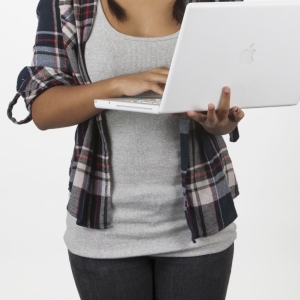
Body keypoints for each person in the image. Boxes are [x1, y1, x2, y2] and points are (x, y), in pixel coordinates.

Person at [7, 0, 244, 299]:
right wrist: (119, 84)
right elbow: (43, 109)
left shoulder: (216, 4)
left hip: (202, 220)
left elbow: (229, 94)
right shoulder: (66, 5)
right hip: (103, 229)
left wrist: (218, 123)